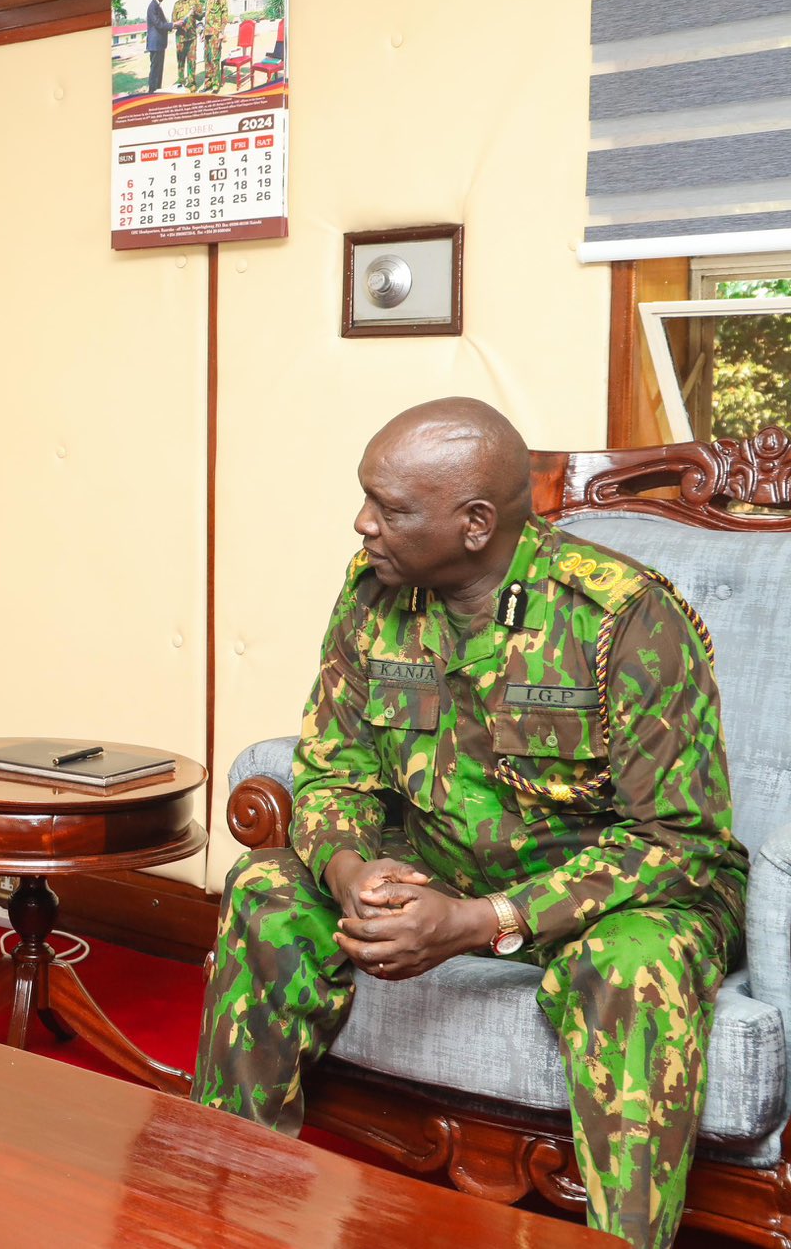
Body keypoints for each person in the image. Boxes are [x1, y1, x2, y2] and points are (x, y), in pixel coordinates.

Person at [193, 397, 747, 1249]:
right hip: (443, 865)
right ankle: (219, 1201)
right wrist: (351, 871)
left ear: (476, 522)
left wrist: (484, 922)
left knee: (636, 963)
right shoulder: (373, 593)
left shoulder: (621, 619)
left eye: (391, 507)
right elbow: (332, 770)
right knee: (266, 888)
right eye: (366, 498)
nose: (363, 523)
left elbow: (681, 842)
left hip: (611, 897)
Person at [201, 0, 230, 92]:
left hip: (216, 31)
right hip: (207, 31)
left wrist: (222, 31)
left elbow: (224, 11)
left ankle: (216, 85)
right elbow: (206, 15)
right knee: (207, 58)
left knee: (215, 58)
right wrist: (203, 32)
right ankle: (208, 83)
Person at [171, 0, 200, 90]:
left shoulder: (194, 1)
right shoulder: (177, 4)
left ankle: (192, 83)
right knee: (180, 60)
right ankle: (181, 82)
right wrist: (178, 24)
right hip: (180, 38)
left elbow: (201, 16)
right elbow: (173, 20)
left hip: (192, 37)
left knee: (191, 61)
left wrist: (195, 13)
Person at [144, 0, 171, 93]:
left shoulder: (157, 6)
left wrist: (172, 25)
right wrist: (173, 25)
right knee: (155, 71)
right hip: (155, 45)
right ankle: (151, 93)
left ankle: (157, 92)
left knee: (159, 70)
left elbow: (162, 23)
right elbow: (159, 24)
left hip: (159, 45)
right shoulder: (152, 6)